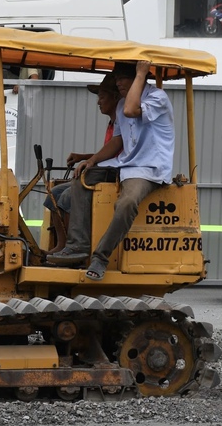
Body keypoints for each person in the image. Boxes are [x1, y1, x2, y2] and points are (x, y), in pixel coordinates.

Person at [47, 61, 175, 281]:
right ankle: (77, 246)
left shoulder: (157, 98)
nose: (118, 84)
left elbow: (131, 110)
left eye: (122, 79)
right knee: (82, 177)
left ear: (138, 78)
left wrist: (141, 73)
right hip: (124, 164)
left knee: (126, 203)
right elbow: (118, 140)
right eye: (116, 80)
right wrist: (93, 160)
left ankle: (100, 258)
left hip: (147, 169)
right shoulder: (122, 103)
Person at [43, 73, 121, 216]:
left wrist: (89, 161)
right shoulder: (112, 124)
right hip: (108, 170)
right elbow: (108, 155)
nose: (98, 102)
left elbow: (117, 159)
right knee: (53, 195)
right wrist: (83, 157)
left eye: (102, 97)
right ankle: (62, 239)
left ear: (115, 97)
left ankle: (75, 238)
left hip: (116, 176)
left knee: (67, 198)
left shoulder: (124, 124)